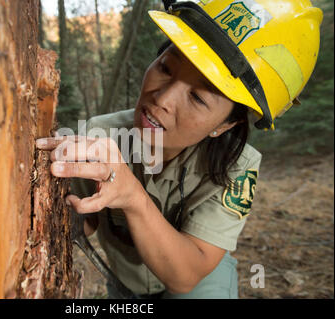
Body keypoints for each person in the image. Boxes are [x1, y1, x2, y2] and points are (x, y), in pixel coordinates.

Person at [36, 0, 322, 299]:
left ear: (225, 125)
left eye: (198, 98)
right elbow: (82, 221)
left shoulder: (237, 169)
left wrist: (132, 197)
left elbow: (186, 278)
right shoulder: (100, 137)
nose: (163, 98)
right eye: (166, 68)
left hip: (198, 280)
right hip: (127, 281)